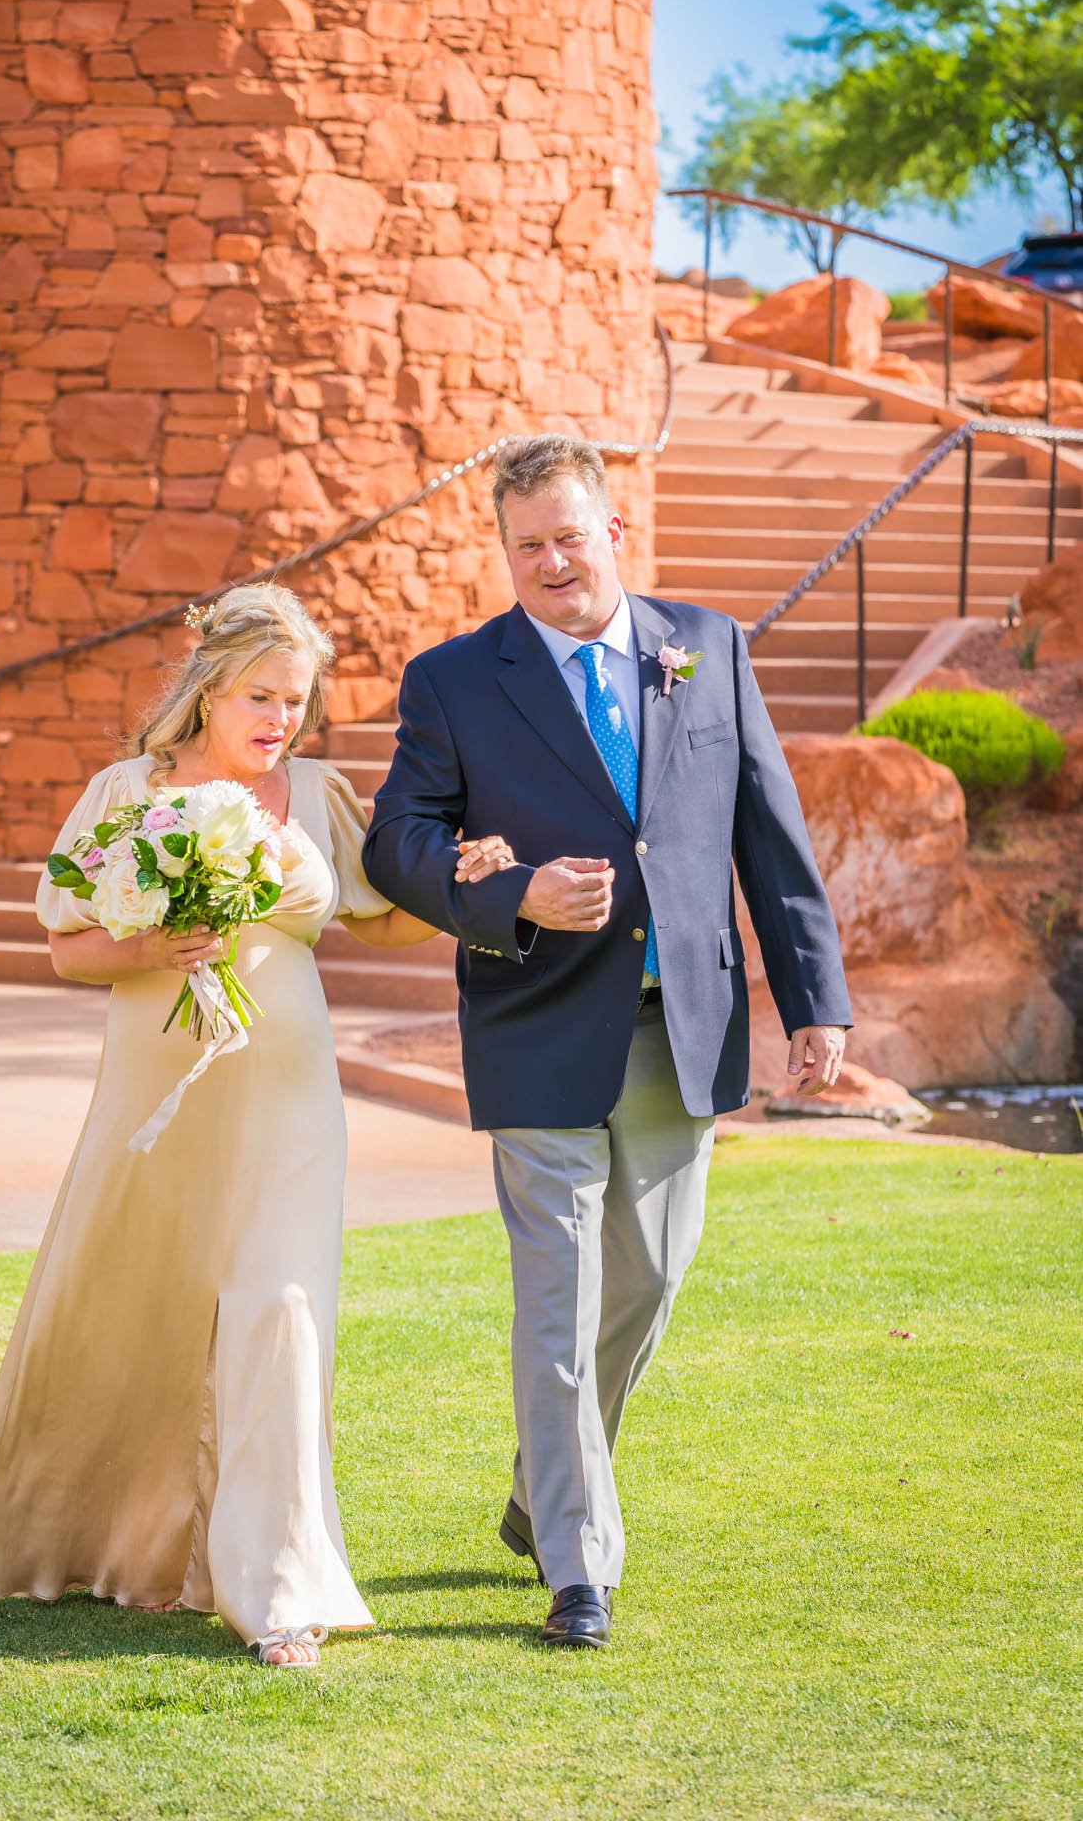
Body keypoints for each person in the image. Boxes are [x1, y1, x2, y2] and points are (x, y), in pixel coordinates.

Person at [0, 583, 513, 1668]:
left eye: (295, 699)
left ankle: (275, 1582)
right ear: (207, 688)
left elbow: (378, 923)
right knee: (139, 1300)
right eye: (260, 694)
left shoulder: (322, 792)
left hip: (291, 1091)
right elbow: (68, 946)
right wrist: (156, 946)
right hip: (159, 1084)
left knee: (280, 1307)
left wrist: (457, 879)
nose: (279, 717)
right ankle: (141, 1550)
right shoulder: (127, 789)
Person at [363, 434, 852, 1651]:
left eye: (567, 536)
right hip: (533, 1023)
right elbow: (397, 842)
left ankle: (541, 1488)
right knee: (555, 1299)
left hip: (677, 1025)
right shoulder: (454, 679)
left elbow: (768, 836)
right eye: (524, 544)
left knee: (650, 1280)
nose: (547, 562)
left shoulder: (710, 646)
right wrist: (509, 894)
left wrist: (816, 999)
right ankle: (580, 1566)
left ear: (612, 530)